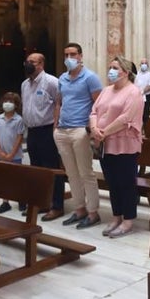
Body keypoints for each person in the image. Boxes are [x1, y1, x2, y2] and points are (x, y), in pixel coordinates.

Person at [90, 56, 145, 238]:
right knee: (112, 182)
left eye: (115, 68)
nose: (111, 71)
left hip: (125, 143)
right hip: (105, 144)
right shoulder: (106, 90)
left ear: (126, 72)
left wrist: (103, 131)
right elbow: (94, 111)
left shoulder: (134, 92)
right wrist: (94, 128)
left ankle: (128, 220)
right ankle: (116, 216)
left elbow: (126, 118)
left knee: (126, 183)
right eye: (110, 67)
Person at [54, 42, 104, 229]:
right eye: (66, 55)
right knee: (71, 174)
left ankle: (93, 212)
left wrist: (91, 129)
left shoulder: (90, 78)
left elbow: (98, 106)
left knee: (86, 173)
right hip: (63, 130)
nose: (69, 58)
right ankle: (79, 208)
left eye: (73, 54)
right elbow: (59, 102)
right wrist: (55, 125)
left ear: (81, 56)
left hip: (80, 130)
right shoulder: (62, 78)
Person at [21, 53, 64, 221]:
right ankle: (41, 202)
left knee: (51, 168)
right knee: (36, 168)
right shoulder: (25, 84)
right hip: (32, 131)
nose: (28, 64)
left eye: (32, 62)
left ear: (41, 64)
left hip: (47, 130)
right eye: (27, 62)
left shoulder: (52, 82)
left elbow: (59, 104)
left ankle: (56, 205)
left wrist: (55, 126)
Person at [0, 92, 26, 213]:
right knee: (4, 178)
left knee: (17, 178)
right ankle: (5, 202)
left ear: (16, 105)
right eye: (6, 101)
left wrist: (12, 154)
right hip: (1, 154)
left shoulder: (18, 120)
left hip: (14, 155)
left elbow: (19, 137)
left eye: (11, 102)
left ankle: (21, 199)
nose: (8, 104)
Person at [135, 57, 150, 125]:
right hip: (137, 96)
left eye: (145, 63)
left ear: (148, 65)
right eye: (142, 63)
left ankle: (145, 129)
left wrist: (143, 91)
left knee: (145, 113)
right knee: (137, 113)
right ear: (140, 65)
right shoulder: (136, 75)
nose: (144, 65)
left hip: (146, 96)